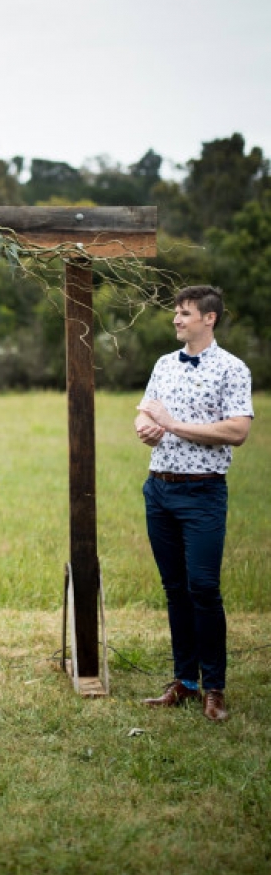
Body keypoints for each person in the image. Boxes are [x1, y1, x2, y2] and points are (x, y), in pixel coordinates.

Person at [135, 286, 253, 723]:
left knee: (203, 588)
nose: (176, 320)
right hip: (159, 489)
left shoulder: (232, 369)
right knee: (174, 590)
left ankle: (215, 688)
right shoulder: (164, 363)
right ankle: (184, 682)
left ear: (210, 319)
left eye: (184, 314)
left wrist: (173, 425)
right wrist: (146, 426)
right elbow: (147, 411)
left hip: (203, 492)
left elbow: (238, 431)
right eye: (176, 313)